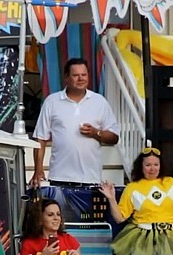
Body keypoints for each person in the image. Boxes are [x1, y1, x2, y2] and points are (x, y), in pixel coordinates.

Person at [30, 57, 120, 187]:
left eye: (84, 74)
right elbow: (40, 138)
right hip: (59, 176)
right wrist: (38, 170)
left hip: (91, 178)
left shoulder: (100, 102)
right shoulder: (52, 101)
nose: (81, 78)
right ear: (66, 78)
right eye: (76, 75)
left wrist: (96, 133)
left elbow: (114, 137)